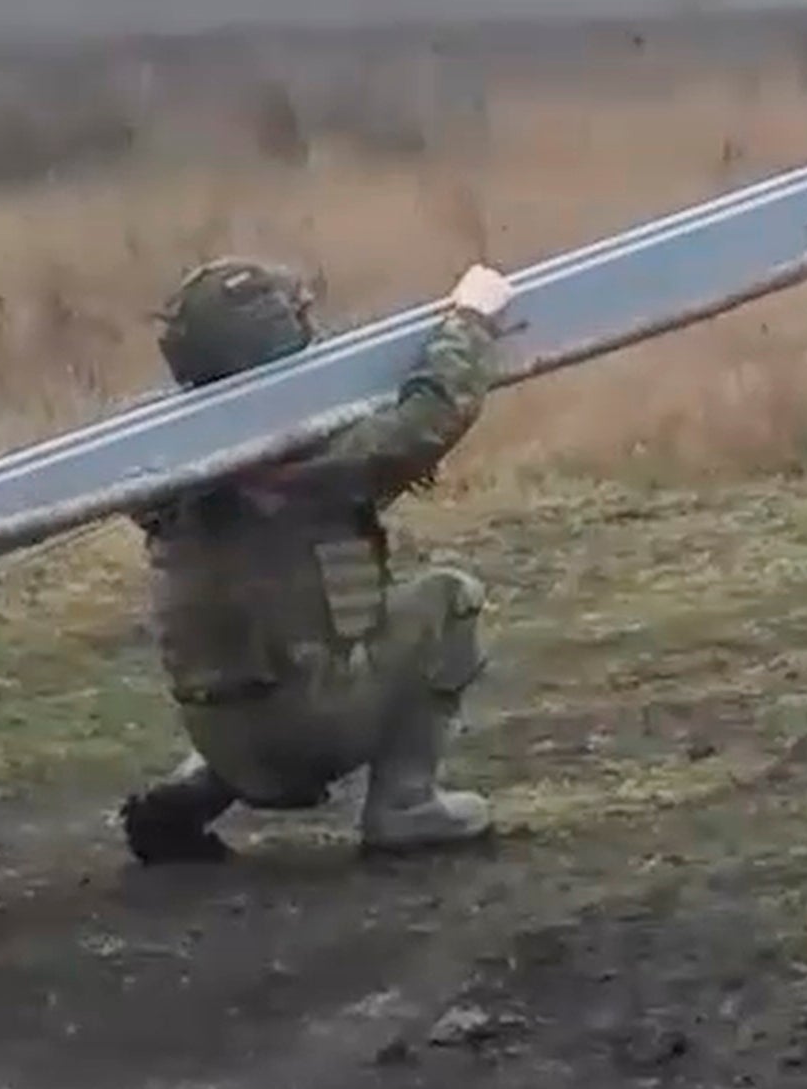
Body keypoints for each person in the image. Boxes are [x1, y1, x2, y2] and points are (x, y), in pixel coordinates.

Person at [117, 255, 516, 867]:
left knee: (256, 656)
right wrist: (470, 321)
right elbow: (422, 426)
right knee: (447, 597)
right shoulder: (297, 450)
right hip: (308, 730)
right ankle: (406, 804)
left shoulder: (170, 454)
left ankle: (193, 792)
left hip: (218, 735)